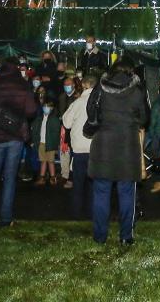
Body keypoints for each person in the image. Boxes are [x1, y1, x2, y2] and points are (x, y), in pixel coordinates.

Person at [88, 57, 150, 245]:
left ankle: (100, 236)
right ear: (131, 71)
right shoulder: (138, 91)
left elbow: (91, 112)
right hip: (127, 146)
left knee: (101, 193)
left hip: (103, 146)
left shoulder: (101, 87)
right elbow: (145, 118)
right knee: (127, 193)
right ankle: (126, 236)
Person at [0, 59, 37, 227]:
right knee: (10, 178)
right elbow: (31, 110)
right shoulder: (23, 86)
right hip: (14, 136)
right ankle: (5, 218)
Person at [61, 74, 97, 218]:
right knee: (93, 184)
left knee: (78, 183)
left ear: (84, 85)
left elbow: (67, 122)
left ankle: (76, 214)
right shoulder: (100, 103)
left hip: (80, 150)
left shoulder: (77, 103)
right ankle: (92, 213)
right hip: (95, 149)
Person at [31, 99, 62, 186]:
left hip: (50, 144)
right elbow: (35, 131)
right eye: (44, 106)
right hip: (41, 143)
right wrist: (34, 141)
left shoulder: (54, 119)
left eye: (48, 107)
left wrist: (56, 144)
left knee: (51, 161)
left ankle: (53, 178)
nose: (46, 108)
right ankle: (42, 178)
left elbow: (56, 133)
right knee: (43, 161)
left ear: (51, 108)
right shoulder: (39, 119)